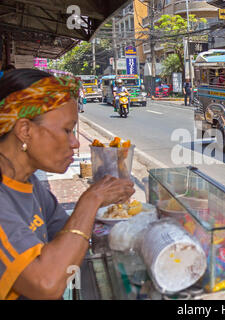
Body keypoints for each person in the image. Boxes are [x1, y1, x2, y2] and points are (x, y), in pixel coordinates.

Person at [0, 69, 135, 300]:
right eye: (67, 130)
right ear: (25, 130)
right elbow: (47, 283)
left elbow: (68, 237)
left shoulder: (30, 183)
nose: (74, 142)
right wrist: (92, 199)